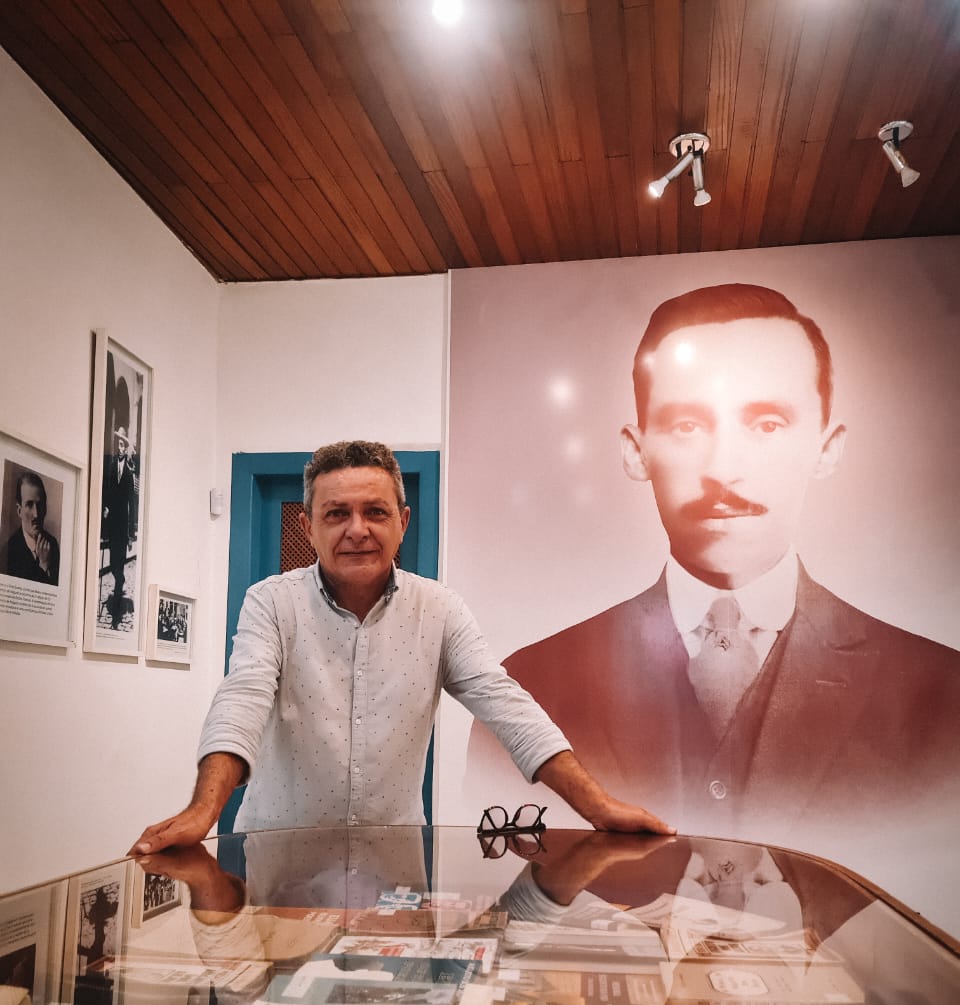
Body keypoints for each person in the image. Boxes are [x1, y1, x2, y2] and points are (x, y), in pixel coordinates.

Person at [470, 283, 960, 856]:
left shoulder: (941, 694)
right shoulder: (533, 683)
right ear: (636, 451)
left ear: (826, 447)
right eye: (687, 426)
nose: (724, 470)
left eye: (768, 423)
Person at [131, 440, 672, 862]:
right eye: (336, 514)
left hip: (392, 877)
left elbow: (508, 708)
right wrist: (204, 812)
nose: (357, 530)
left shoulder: (440, 609)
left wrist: (599, 806)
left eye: (376, 511)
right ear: (307, 526)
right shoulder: (271, 602)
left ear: (403, 522)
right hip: (279, 864)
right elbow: (242, 698)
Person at [101, 378, 137, 622]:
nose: (121, 447)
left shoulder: (130, 472)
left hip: (123, 524)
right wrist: (104, 508)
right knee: (113, 559)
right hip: (112, 520)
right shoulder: (111, 465)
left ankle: (119, 582)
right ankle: (117, 580)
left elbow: (132, 503)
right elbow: (106, 490)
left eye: (124, 444)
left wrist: (132, 532)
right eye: (119, 443)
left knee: (120, 561)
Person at [2, 471, 60, 585]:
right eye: (29, 505)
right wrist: (43, 566)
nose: (36, 514)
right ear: (19, 511)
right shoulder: (8, 553)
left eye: (40, 505)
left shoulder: (52, 544)